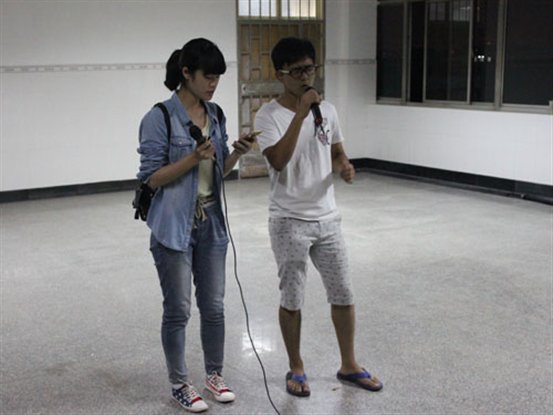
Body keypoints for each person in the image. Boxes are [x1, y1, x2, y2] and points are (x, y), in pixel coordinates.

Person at [254, 37, 383, 397]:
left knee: (343, 292)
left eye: (309, 69)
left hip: (328, 218)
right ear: (280, 74)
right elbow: (278, 160)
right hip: (289, 219)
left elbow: (337, 151)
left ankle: (349, 364)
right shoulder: (267, 115)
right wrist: (300, 113)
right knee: (292, 297)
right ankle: (296, 367)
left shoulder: (328, 111)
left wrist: (344, 165)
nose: (305, 77)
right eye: (297, 71)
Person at [137, 38, 254, 413]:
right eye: (208, 76)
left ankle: (214, 375)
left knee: (214, 307)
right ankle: (179, 383)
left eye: (218, 77)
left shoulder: (215, 114)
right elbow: (151, 178)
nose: (213, 84)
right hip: (173, 227)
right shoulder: (159, 117)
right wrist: (191, 158)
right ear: (186, 73)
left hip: (211, 226)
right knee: (178, 310)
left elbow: (217, 172)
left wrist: (235, 154)